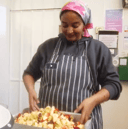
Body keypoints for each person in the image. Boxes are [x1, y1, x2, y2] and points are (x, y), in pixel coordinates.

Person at [23, 0, 122, 128]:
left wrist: (92, 100)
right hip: (48, 123)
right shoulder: (48, 47)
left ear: (84, 24)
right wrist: (31, 90)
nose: (69, 31)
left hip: (83, 122)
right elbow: (29, 73)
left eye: (75, 25)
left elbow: (114, 85)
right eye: (64, 25)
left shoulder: (98, 49)